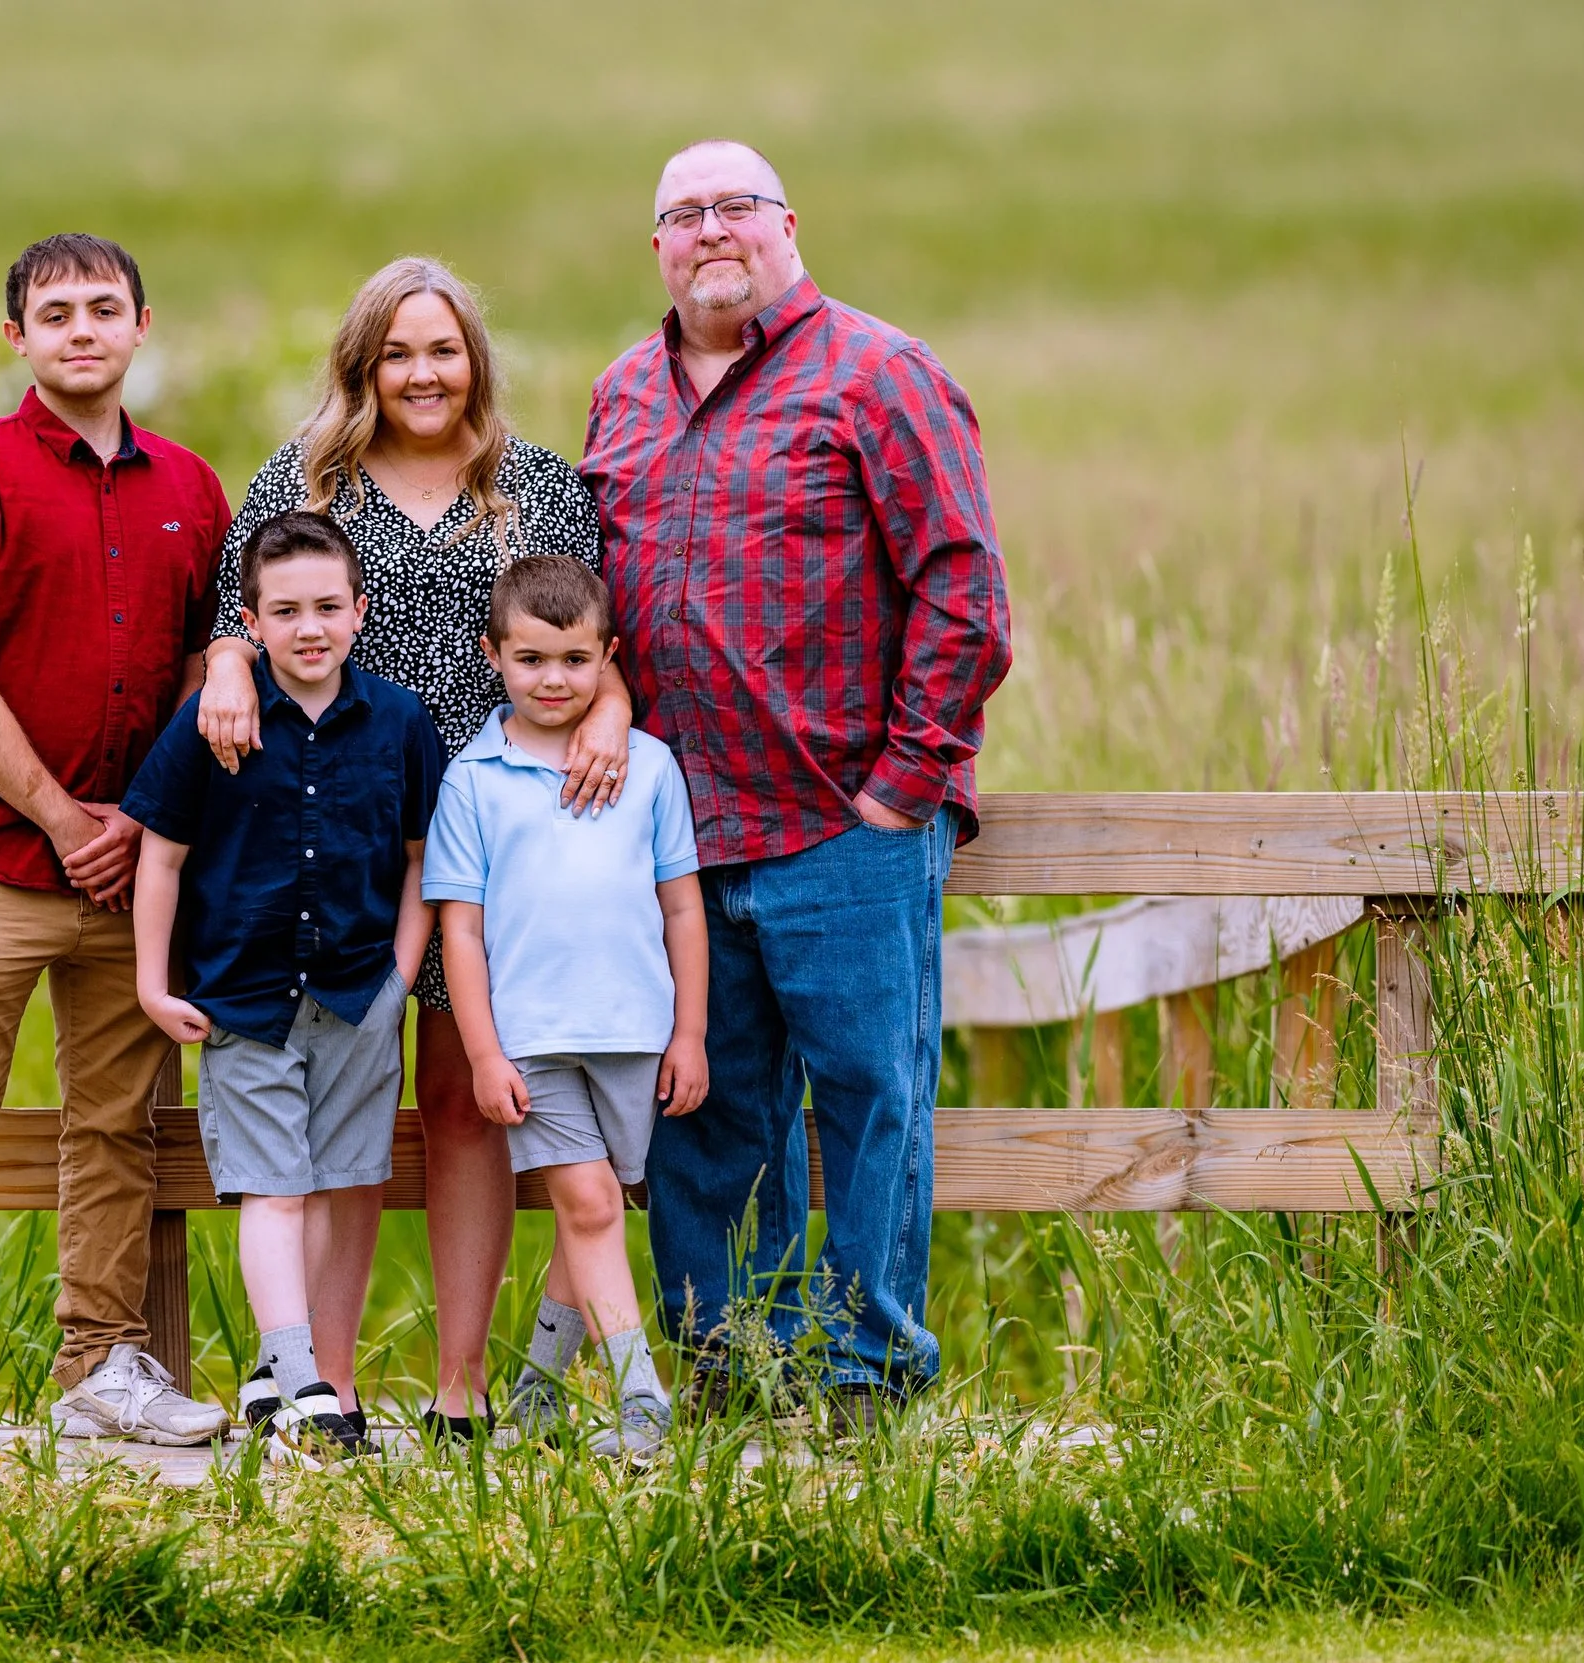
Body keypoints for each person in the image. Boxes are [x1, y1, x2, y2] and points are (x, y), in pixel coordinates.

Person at [579, 140, 1014, 1421]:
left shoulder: (880, 373)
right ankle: (729, 1374)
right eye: (682, 214)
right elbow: (590, 604)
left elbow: (963, 588)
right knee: (705, 1113)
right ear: (655, 244)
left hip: (842, 825)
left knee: (872, 1099)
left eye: (736, 207)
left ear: (786, 225)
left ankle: (868, 1377)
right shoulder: (621, 393)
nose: (711, 230)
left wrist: (904, 784)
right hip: (680, 835)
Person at [193, 257, 629, 1435]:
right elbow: (231, 623)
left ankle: (462, 1386)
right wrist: (233, 665)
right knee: (340, 1096)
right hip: (344, 830)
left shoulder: (536, 485)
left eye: (443, 350)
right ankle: (315, 1385)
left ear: (474, 359)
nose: (422, 373)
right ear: (362, 365)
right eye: (397, 352)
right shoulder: (306, 479)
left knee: (464, 1097)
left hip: (507, 829)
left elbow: (591, 640)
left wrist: (616, 711)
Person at [0, 233, 233, 1447]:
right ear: (16, 337)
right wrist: (65, 818)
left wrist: (142, 816)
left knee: (118, 1119)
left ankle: (101, 1365)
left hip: (136, 869)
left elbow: (202, 670)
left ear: (140, 327)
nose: (83, 329)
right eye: (56, 313)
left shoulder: (190, 488)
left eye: (105, 309)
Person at [125, 511, 441, 1458]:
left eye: (328, 608)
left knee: (347, 1182)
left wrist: (398, 973)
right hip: (244, 999)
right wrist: (153, 982)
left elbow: (423, 859)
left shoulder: (398, 721)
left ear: (360, 611)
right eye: (286, 610)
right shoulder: (214, 723)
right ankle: (300, 1374)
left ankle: (291, 1380)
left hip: (355, 994)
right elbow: (163, 859)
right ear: (251, 623)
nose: (310, 627)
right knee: (271, 1186)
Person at [424, 557, 709, 1458]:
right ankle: (640, 1400)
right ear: (494, 656)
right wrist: (481, 1053)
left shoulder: (651, 768)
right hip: (533, 1036)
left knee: (595, 1210)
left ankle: (539, 1396)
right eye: (532, 660)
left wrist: (690, 1031)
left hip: (636, 1029)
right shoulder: (473, 779)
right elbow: (459, 933)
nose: (554, 680)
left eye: (577, 661)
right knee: (587, 1201)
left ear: (608, 657)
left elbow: (681, 908)